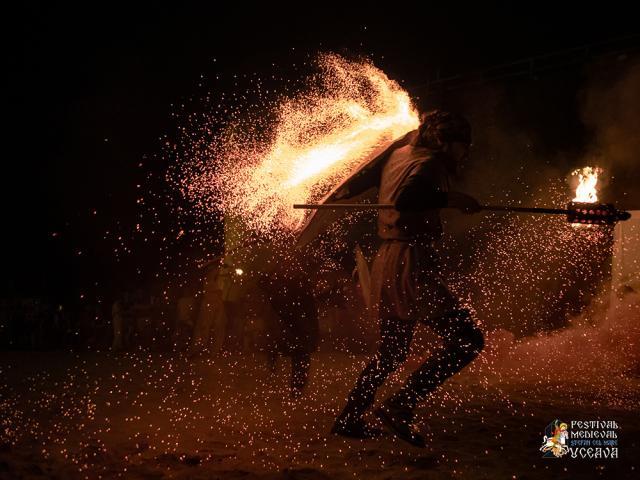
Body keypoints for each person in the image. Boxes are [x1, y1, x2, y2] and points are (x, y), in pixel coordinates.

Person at [331, 110, 485, 447]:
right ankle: (401, 405)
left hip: (389, 258)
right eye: (463, 145)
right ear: (445, 141)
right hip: (411, 262)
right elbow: (408, 199)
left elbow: (371, 181)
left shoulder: (399, 154)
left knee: (392, 352)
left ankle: (349, 417)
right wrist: (454, 199)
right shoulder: (430, 163)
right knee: (468, 340)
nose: (465, 153)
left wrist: (343, 192)